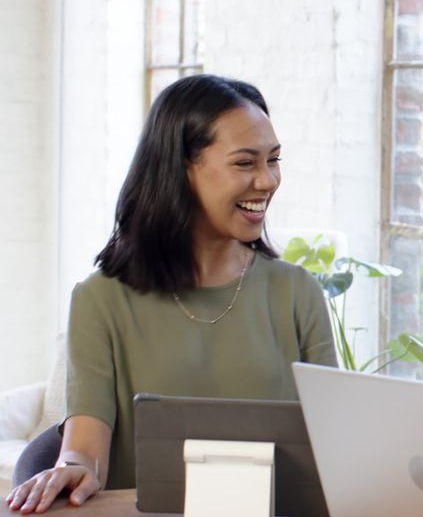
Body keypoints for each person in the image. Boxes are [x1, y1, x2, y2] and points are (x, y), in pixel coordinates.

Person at [6, 75, 337, 514]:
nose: (267, 180)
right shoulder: (101, 300)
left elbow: (335, 443)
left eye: (273, 160)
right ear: (181, 167)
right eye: (245, 163)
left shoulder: (298, 293)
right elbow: (84, 446)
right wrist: (72, 466)